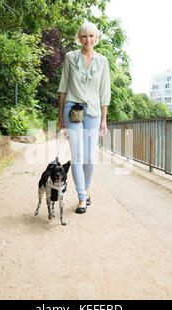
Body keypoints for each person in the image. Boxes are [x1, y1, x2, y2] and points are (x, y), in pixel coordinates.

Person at [57, 21, 111, 214]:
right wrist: (60, 117)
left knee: (89, 157)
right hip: (73, 109)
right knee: (77, 157)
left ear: (96, 38)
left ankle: (87, 190)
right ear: (79, 38)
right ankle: (81, 197)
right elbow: (63, 88)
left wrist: (104, 119)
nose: (88, 40)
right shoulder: (70, 58)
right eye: (84, 36)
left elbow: (105, 92)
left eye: (91, 36)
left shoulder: (103, 61)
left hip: (94, 113)